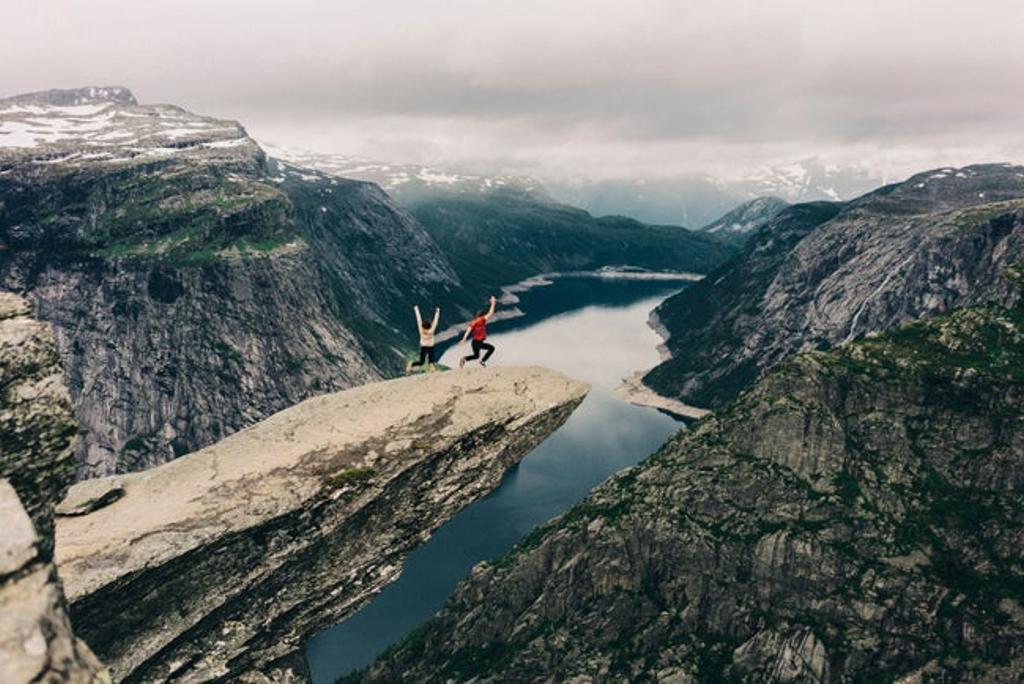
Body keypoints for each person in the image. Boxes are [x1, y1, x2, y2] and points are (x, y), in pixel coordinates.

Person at [459, 295, 497, 368]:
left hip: (474, 342)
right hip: (478, 342)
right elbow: (491, 313)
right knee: (492, 348)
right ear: (482, 315)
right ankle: (482, 361)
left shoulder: (474, 322)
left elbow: (469, 329)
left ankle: (464, 359)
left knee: (476, 356)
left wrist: (464, 339)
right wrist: (493, 303)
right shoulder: (481, 320)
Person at [406, 305, 440, 373]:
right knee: (430, 361)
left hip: (423, 347)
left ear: (423, 326)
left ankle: (411, 364)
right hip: (430, 347)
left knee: (422, 362)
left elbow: (418, 319)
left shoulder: (421, 330)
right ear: (430, 326)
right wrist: (437, 311)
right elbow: (435, 322)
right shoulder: (431, 331)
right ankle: (433, 370)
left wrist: (416, 309)